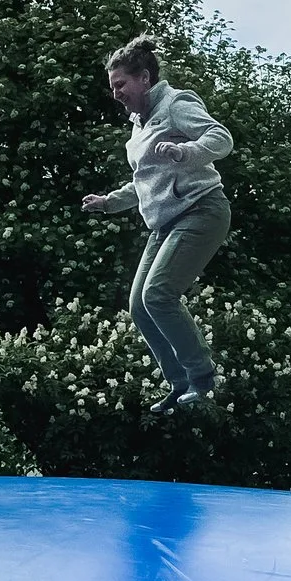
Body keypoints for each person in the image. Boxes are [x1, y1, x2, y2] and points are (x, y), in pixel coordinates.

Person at [78, 34, 234, 413]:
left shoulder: (176, 103)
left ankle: (203, 379)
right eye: (112, 86)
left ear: (145, 78)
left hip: (201, 210)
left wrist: (186, 151)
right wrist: (108, 202)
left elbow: (221, 138)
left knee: (158, 295)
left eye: (121, 85)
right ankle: (180, 385)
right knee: (138, 305)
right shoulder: (139, 124)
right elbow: (145, 181)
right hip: (165, 222)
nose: (115, 93)